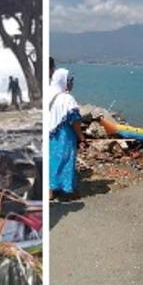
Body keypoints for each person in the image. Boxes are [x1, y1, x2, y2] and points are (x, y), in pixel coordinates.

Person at [48, 68, 85, 198]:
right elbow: (74, 120)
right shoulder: (67, 98)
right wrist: (81, 136)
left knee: (52, 161)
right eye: (70, 80)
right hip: (65, 135)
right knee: (66, 160)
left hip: (51, 135)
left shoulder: (49, 94)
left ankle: (50, 191)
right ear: (64, 81)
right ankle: (67, 190)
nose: (71, 83)